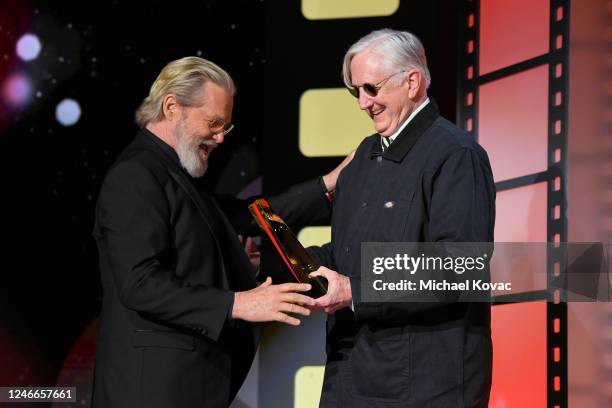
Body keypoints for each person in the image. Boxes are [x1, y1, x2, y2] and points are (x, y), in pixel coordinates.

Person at [91, 56, 348, 408]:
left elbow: (251, 216)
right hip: (151, 392)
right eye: (213, 123)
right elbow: (140, 284)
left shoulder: (176, 175)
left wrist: (327, 185)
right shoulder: (136, 175)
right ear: (172, 107)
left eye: (224, 127)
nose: (220, 137)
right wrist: (238, 303)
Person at [307, 29, 496, 407]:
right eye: (355, 91)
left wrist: (354, 290)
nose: (363, 103)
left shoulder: (456, 154)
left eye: (371, 88)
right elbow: (348, 251)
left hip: (425, 385)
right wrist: (290, 260)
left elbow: (461, 266)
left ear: (412, 82)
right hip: (352, 372)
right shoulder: (363, 156)